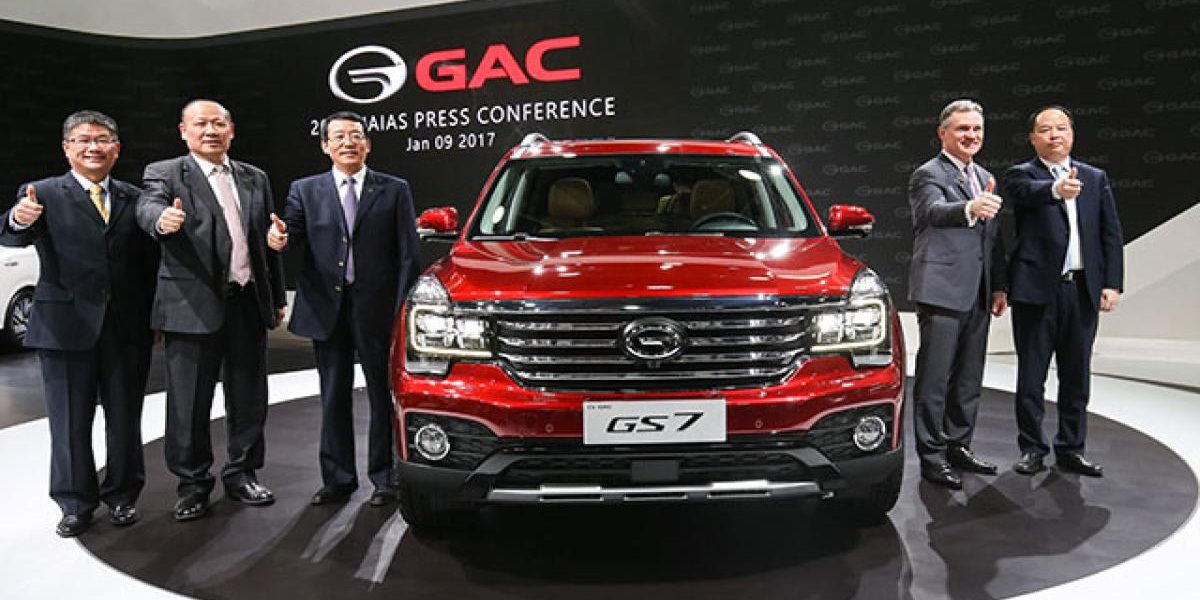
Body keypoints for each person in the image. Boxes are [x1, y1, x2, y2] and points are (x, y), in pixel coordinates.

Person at [0, 110, 158, 536]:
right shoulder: (42, 193)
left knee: (125, 419)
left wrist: (154, 318)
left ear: (116, 149)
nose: (93, 147)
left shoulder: (134, 197)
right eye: (83, 140)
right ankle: (74, 503)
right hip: (63, 327)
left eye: (102, 139)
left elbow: (148, 265)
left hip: (127, 329)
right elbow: (11, 235)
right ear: (67, 148)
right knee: (68, 422)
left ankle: (123, 496)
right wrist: (18, 219)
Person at [135, 99, 286, 521]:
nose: (210, 131)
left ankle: (242, 473)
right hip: (191, 305)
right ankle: (192, 484)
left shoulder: (254, 177)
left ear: (231, 131)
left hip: (247, 301)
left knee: (249, 397)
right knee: (188, 402)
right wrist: (161, 220)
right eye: (200, 124)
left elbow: (266, 239)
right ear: (183, 131)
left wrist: (275, 296)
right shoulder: (166, 173)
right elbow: (147, 207)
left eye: (218, 124)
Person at [267, 111, 420, 506]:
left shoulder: (394, 189)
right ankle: (337, 479)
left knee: (382, 395)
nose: (348, 142)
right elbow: (292, 233)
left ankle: (385, 478)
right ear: (325, 146)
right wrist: (280, 239)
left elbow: (408, 254)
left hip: (378, 310)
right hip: (326, 309)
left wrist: (403, 310)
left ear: (367, 144)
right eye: (338, 136)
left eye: (355, 135)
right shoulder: (305, 189)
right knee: (333, 395)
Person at [1003, 105, 1124, 477]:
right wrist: (1056, 189)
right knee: (1031, 376)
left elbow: (1110, 233)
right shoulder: (1022, 175)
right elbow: (1025, 194)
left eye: (1061, 128)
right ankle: (1032, 448)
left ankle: (1072, 447)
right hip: (1036, 291)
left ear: (1072, 134)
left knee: (1076, 375)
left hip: (1081, 290)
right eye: (1046, 129)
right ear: (1033, 138)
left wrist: (1111, 283)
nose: (1054, 135)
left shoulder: (1094, 178)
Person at [907, 99, 1008, 490]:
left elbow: (993, 238)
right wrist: (970, 207)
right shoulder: (928, 174)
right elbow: (932, 212)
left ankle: (958, 445)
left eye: (977, 129)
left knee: (968, 379)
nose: (971, 135)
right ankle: (932, 457)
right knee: (934, 380)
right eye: (963, 128)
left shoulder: (984, 176)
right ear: (943, 133)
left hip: (978, 292)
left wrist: (998, 285)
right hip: (942, 290)